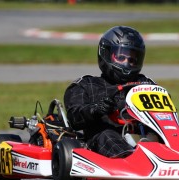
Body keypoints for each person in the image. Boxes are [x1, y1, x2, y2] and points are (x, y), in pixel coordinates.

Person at [64, 26, 155, 158]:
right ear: (106, 54)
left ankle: (173, 156)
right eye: (121, 57)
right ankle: (132, 159)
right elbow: (74, 118)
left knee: (172, 139)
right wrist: (96, 109)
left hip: (142, 137)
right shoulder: (87, 85)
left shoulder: (145, 83)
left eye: (132, 60)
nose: (126, 64)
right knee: (108, 135)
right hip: (103, 140)